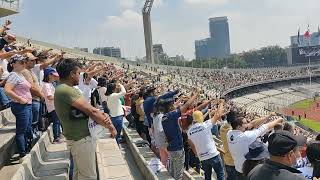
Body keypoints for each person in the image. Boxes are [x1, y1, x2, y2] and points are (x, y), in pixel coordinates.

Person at [54, 58, 117, 180]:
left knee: (79, 174)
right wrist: (111, 127)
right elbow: (92, 111)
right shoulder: (66, 89)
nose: (80, 76)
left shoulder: (62, 88)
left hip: (77, 138)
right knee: (89, 176)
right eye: (78, 73)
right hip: (81, 139)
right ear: (72, 74)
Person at [226, 111, 283, 179]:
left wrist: (268, 116)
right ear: (238, 126)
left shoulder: (229, 133)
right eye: (245, 123)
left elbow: (252, 124)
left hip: (238, 169)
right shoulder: (246, 137)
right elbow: (265, 127)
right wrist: (278, 120)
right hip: (248, 172)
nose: (248, 123)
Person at [162, 90, 199, 180]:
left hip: (171, 148)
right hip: (177, 148)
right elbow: (186, 106)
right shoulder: (171, 115)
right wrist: (196, 95)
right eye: (173, 105)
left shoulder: (163, 117)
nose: (175, 105)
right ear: (170, 107)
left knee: (172, 171)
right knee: (178, 175)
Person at [4, 54, 32, 161]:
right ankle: (22, 154)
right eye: (21, 62)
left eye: (24, 62)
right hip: (21, 106)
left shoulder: (20, 75)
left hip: (26, 105)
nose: (24, 64)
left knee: (27, 128)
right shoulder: (14, 75)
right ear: (13, 64)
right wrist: (20, 99)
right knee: (22, 130)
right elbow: (7, 90)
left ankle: (25, 149)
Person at [187, 101, 225, 180]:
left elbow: (191, 145)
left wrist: (198, 154)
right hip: (213, 154)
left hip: (203, 156)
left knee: (207, 176)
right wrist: (221, 103)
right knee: (220, 174)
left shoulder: (189, 131)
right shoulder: (205, 125)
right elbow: (218, 115)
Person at [42, 67, 61, 143]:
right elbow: (49, 97)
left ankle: (58, 135)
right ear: (49, 75)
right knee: (56, 121)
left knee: (58, 121)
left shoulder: (50, 84)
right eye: (54, 76)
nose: (55, 77)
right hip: (53, 106)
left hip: (55, 106)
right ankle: (56, 137)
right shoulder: (46, 85)